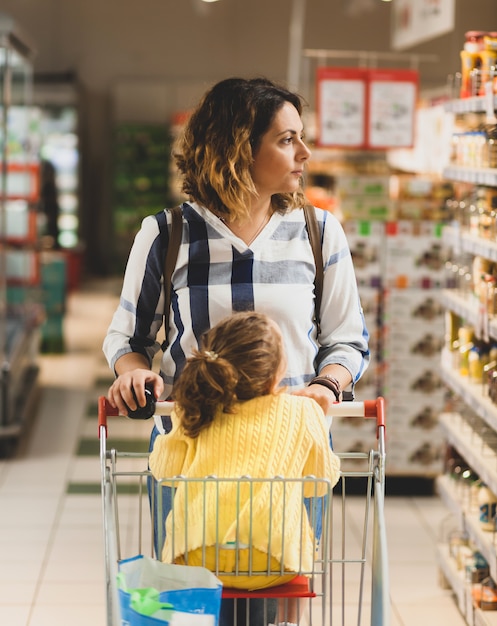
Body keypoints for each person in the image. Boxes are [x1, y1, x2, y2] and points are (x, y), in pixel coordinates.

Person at [103, 75, 370, 625]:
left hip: (284, 456)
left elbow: (347, 341)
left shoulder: (318, 233)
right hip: (194, 456)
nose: (305, 152)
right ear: (237, 148)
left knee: (278, 601)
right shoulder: (168, 235)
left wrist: (325, 387)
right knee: (193, 604)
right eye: (286, 139)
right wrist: (133, 375)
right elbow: (128, 341)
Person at [148, 311, 341, 626]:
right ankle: (288, 622)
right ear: (275, 375)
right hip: (275, 562)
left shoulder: (196, 406)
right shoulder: (302, 410)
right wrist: (315, 422)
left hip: (198, 557)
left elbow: (164, 472)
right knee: (299, 540)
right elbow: (319, 483)